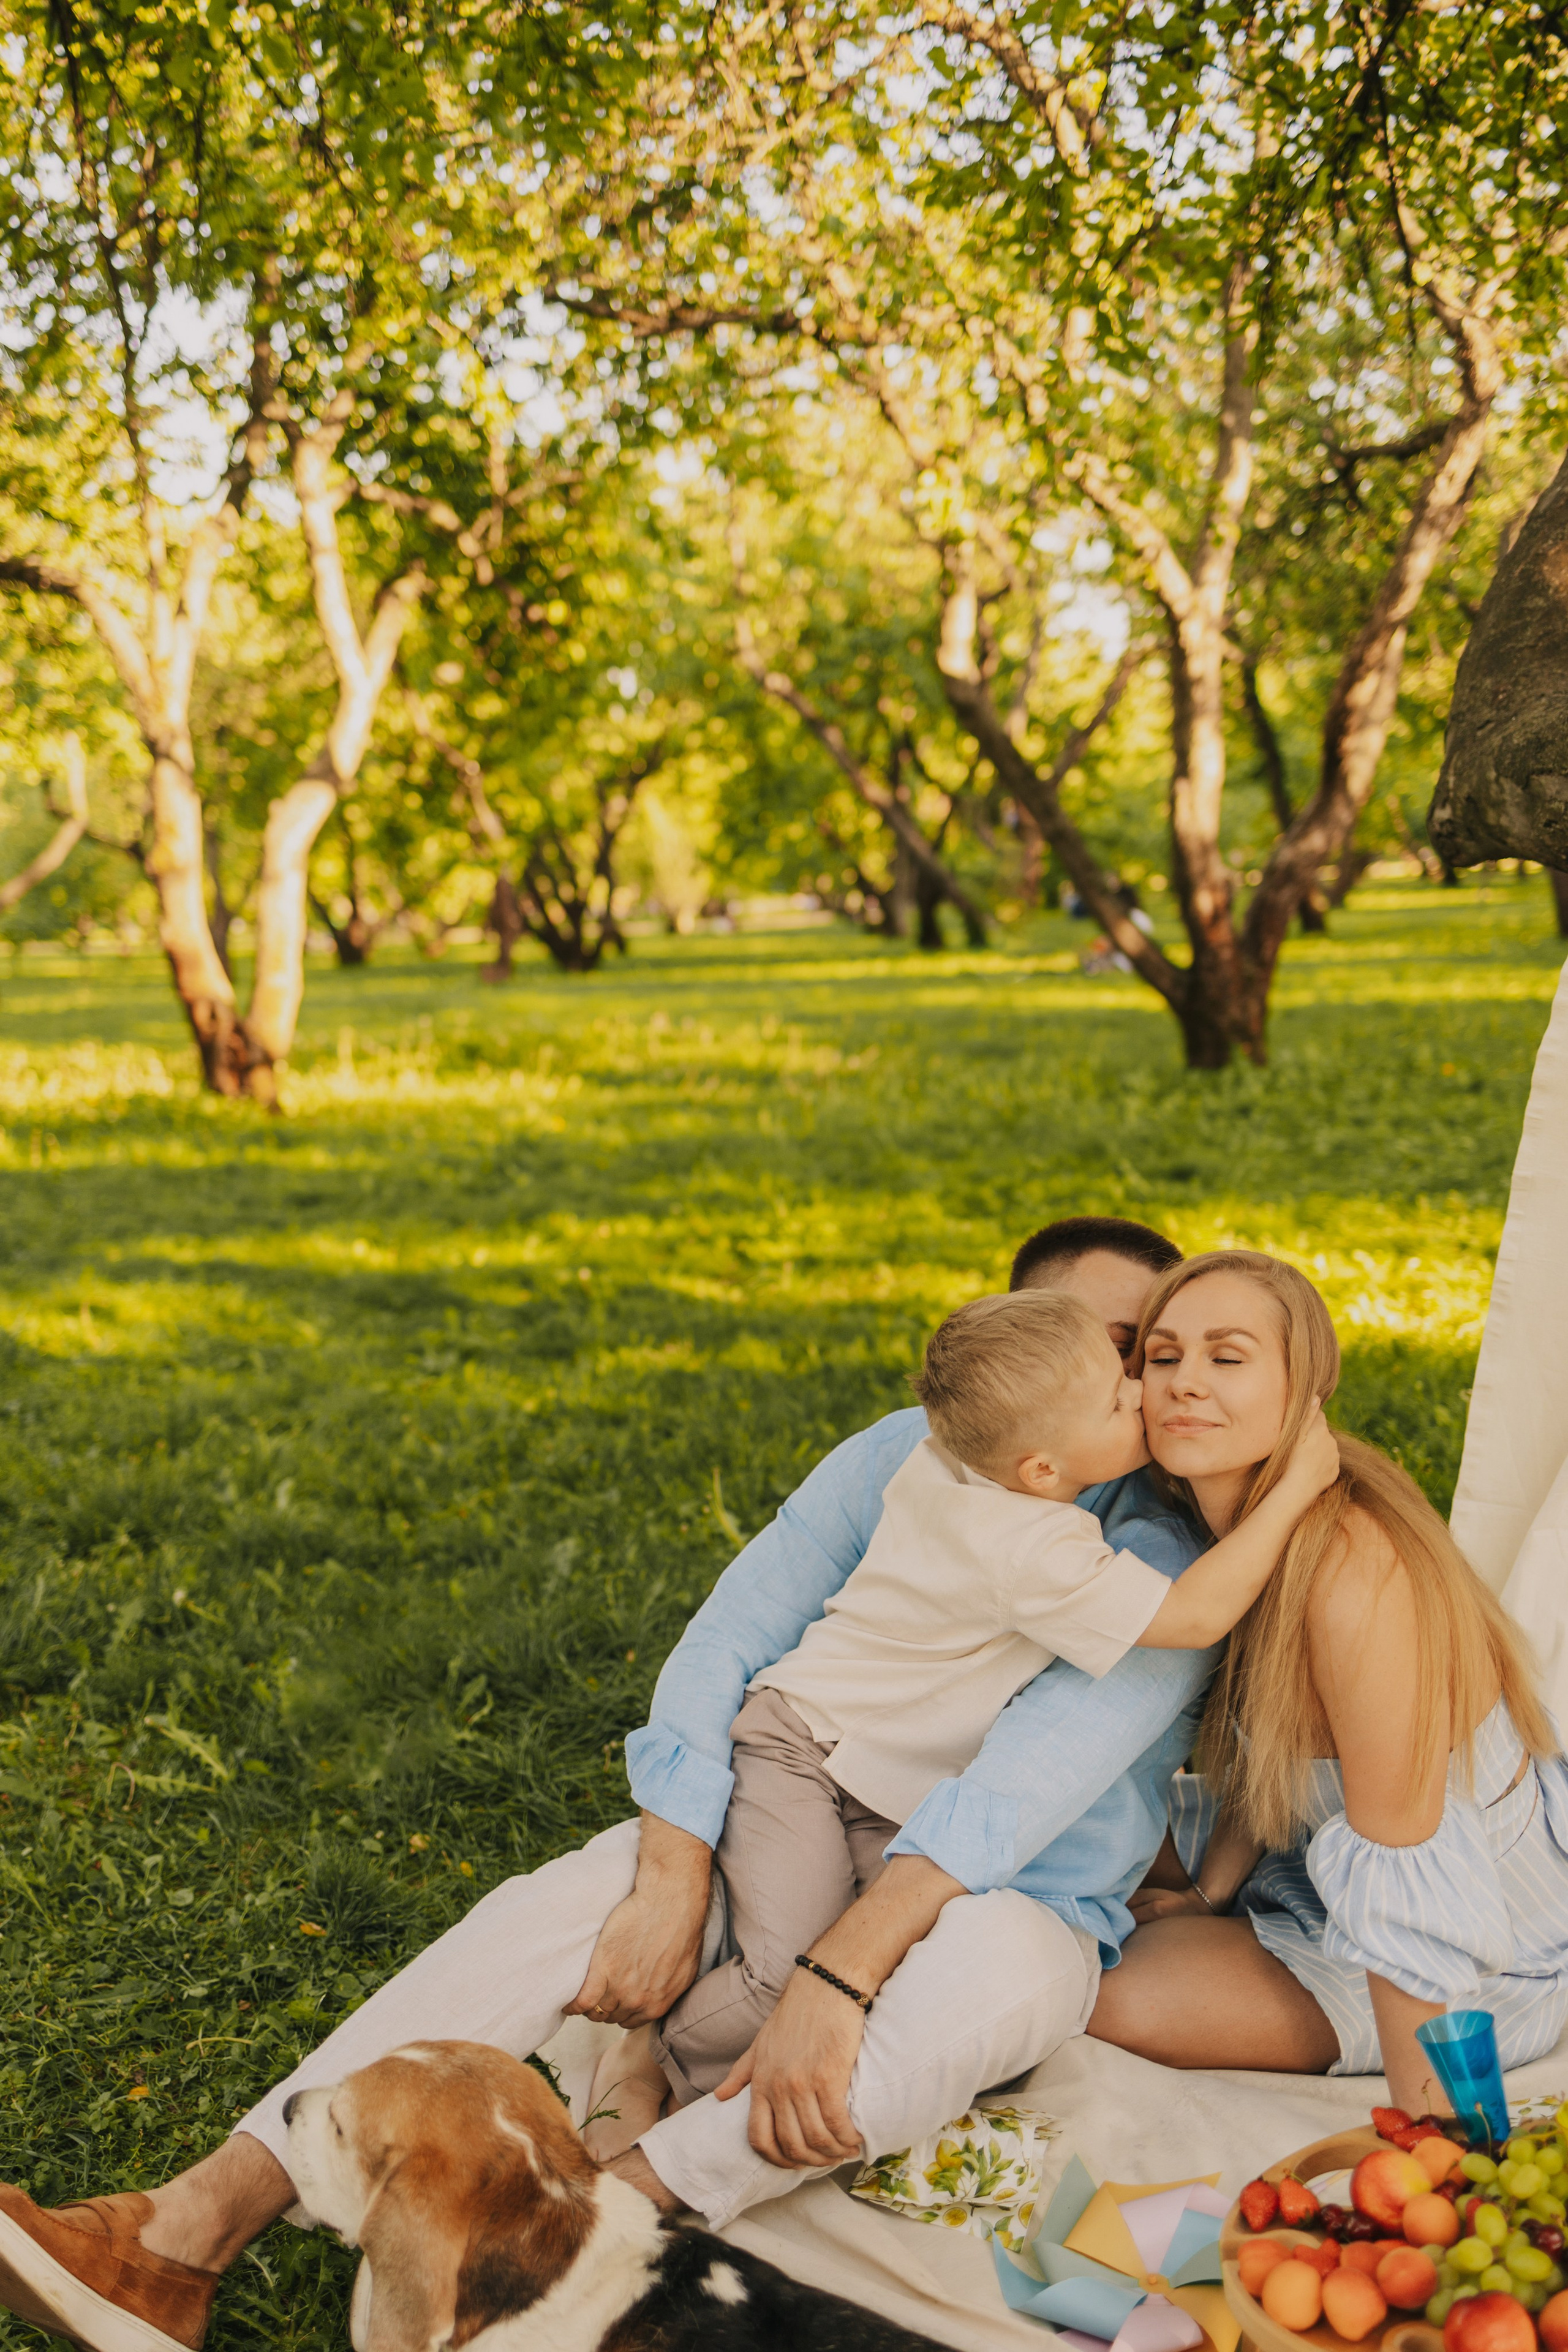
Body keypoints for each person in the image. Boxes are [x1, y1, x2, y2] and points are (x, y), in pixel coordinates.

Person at [0, 1215, 1222, 2352]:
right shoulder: (908, 1454)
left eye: (1140, 1350)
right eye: (1087, 1346)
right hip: (802, 1813)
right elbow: (728, 1642)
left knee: (970, 1990)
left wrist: (833, 1977)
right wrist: (674, 1867)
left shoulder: (1166, 1557)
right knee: (571, 1902)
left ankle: (599, 2233)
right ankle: (183, 2233)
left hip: (1004, 1898)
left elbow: (1018, 1790)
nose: (1132, 1379)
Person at [644, 1287, 1336, 2110]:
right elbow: (1194, 1615)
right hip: (804, 1753)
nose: (1144, 1400)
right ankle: (661, 2066)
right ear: (1042, 1469)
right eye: (1120, 1400)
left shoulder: (952, 1468)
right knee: (788, 1969)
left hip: (876, 1773)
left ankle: (787, 2079)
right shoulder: (1029, 1547)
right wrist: (1300, 1487)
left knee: (899, 1961)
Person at [1084, 1249, 1568, 2117]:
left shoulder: (1349, 1572)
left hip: (1483, 1938)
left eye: (1227, 1358)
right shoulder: (1221, 1542)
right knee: (1061, 1914)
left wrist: (1447, 2144)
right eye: (1164, 1357)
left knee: (1093, 1991)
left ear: (1307, 1384)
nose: (1186, 1383)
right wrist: (1211, 1889)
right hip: (1307, 1866)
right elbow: (1262, 1741)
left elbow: (1412, 1875)